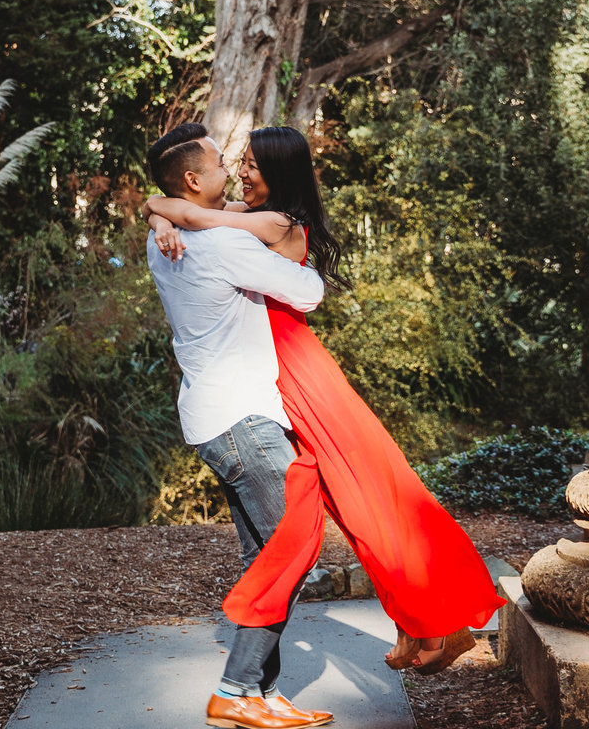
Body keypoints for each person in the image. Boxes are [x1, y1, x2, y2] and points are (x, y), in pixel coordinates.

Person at [148, 125, 503, 675]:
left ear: (279, 174)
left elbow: (193, 215)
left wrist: (158, 210)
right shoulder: (251, 214)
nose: (242, 173)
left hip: (297, 372)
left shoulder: (273, 222)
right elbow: (184, 208)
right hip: (279, 373)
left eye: (252, 166)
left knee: (369, 495)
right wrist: (158, 211)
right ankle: (422, 624)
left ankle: (436, 621)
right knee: (358, 501)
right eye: (238, 163)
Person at [143, 122, 340, 729]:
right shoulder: (225, 246)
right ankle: (235, 689)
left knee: (265, 555)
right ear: (195, 181)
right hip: (244, 422)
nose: (232, 172)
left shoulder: (163, 241)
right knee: (294, 553)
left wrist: (161, 213)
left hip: (210, 419)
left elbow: (166, 205)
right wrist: (191, 217)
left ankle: (262, 691)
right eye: (220, 166)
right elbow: (308, 292)